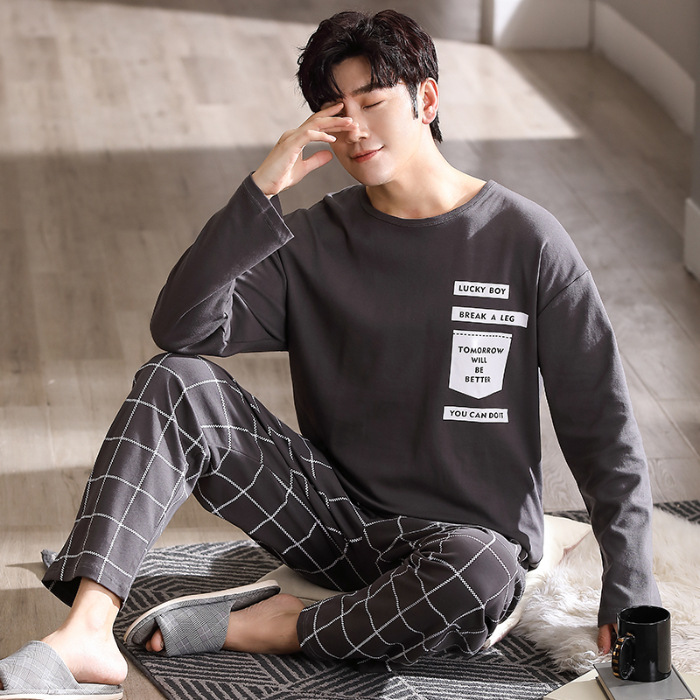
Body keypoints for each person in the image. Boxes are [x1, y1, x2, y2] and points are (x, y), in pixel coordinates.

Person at [0, 9, 660, 695]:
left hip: (464, 548)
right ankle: (87, 630)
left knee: (485, 570)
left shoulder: (527, 241)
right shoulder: (312, 240)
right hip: (331, 523)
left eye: (373, 102)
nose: (356, 129)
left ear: (427, 100)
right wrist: (261, 191)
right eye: (336, 111)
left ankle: (276, 626)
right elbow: (182, 326)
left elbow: (603, 429)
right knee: (175, 382)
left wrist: (631, 581)